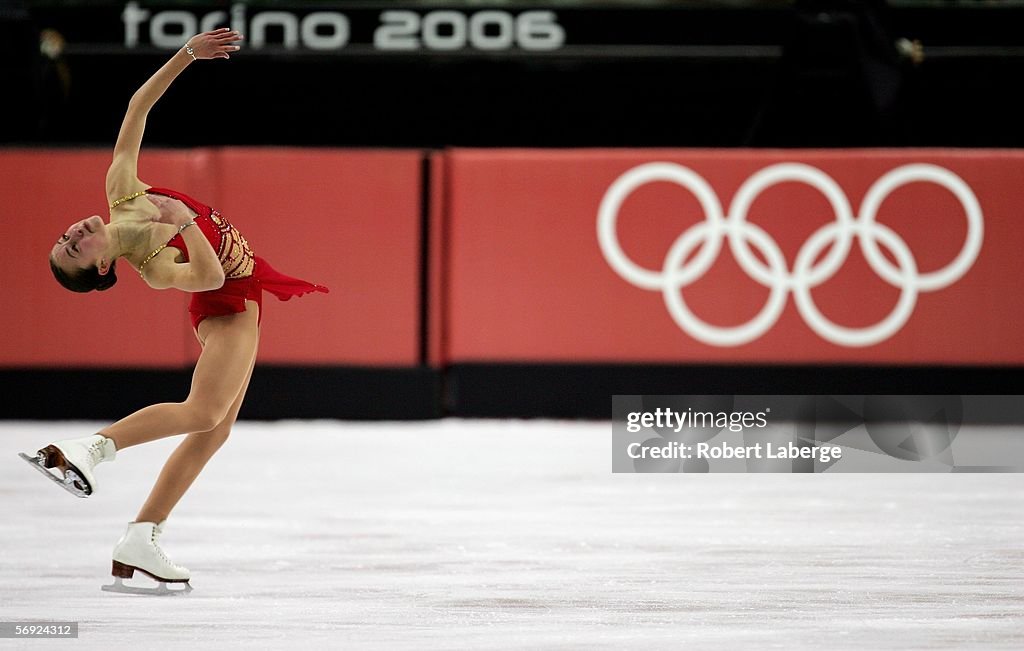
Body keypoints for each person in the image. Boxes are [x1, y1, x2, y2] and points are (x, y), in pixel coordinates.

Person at [24, 28, 328, 594]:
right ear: (101, 270)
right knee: (203, 413)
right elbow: (210, 278)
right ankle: (91, 448)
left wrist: (187, 54)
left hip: (243, 294)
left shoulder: (122, 189)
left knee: (214, 432)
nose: (74, 233)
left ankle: (142, 535)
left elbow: (138, 105)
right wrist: (184, 223)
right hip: (226, 303)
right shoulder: (154, 266)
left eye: (64, 235)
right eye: (73, 249)